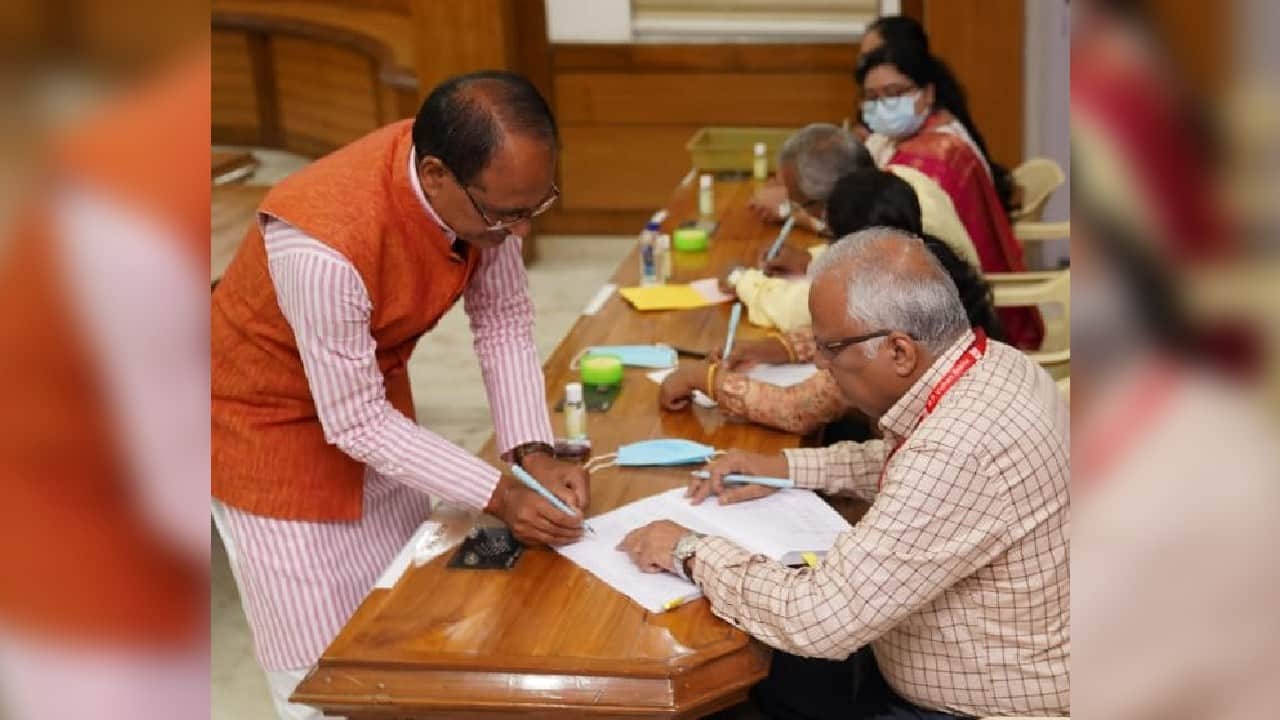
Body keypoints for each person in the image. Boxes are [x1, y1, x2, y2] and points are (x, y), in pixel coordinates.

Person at [210, 71, 590, 719]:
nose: (520, 232)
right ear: (436, 173)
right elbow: (353, 421)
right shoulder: (322, 246)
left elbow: (501, 320)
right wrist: (499, 492)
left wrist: (531, 450)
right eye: (505, 213)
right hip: (266, 436)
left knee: (407, 616)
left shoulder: (480, 198)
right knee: (324, 679)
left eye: (536, 206)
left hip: (374, 410)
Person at [623, 227, 1070, 719]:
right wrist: (786, 466)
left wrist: (688, 550)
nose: (820, 362)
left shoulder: (959, 448)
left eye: (831, 348)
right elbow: (904, 461)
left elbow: (819, 618)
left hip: (973, 706)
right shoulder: (993, 364)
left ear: (899, 351)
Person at [662, 170, 1001, 437]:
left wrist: (703, 379)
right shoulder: (923, 259)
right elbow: (844, 335)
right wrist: (773, 349)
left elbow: (796, 408)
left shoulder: (883, 305)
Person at [855, 42, 1044, 350]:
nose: (882, 105)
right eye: (872, 97)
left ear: (927, 93)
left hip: (960, 312)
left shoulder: (934, 158)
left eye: (893, 93)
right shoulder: (906, 138)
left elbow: (891, 250)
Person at [732, 123, 975, 331]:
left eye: (803, 205)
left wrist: (745, 283)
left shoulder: (879, 226)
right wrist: (811, 261)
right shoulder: (899, 179)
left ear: (831, 199)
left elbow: (820, 306)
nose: (812, 215)